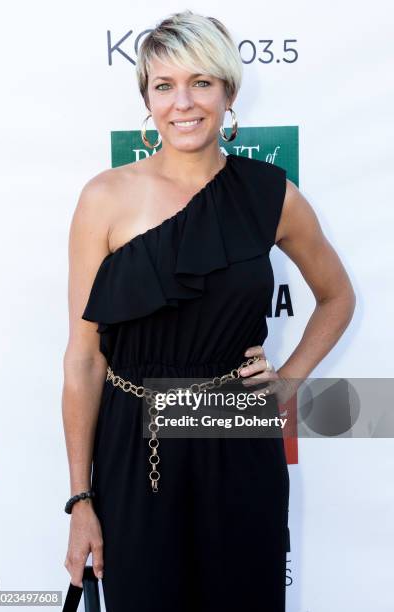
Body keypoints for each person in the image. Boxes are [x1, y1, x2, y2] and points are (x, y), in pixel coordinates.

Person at [62, 10, 356, 612]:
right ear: (146, 99)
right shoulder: (104, 198)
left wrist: (290, 379)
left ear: (228, 91)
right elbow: (84, 360)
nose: (183, 103)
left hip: (234, 427)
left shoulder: (271, 194)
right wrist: (80, 499)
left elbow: (338, 296)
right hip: (132, 439)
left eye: (201, 82)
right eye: (164, 86)